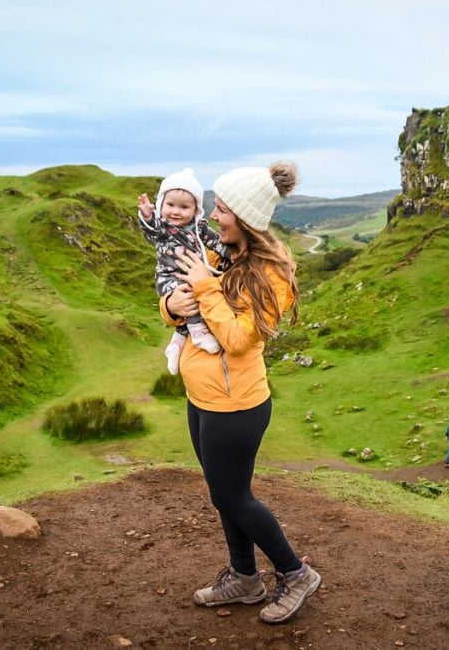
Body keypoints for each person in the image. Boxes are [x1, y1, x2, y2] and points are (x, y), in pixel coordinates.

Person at [164, 161, 322, 624]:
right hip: (202, 396)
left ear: (246, 218)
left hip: (237, 405)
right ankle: (245, 579)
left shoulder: (272, 274)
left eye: (224, 208)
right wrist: (171, 305)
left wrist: (205, 288)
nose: (213, 215)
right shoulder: (220, 251)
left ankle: (295, 573)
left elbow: (238, 338)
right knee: (223, 494)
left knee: (235, 497)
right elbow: (183, 306)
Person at [138, 167, 230, 374]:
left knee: (196, 294)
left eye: (184, 207)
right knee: (189, 296)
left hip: (190, 276)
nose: (176, 212)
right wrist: (147, 216)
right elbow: (151, 228)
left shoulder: (199, 227)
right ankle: (197, 333)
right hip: (170, 277)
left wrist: (233, 254)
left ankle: (176, 345)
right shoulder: (163, 228)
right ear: (161, 204)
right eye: (170, 205)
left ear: (195, 209)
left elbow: (215, 242)